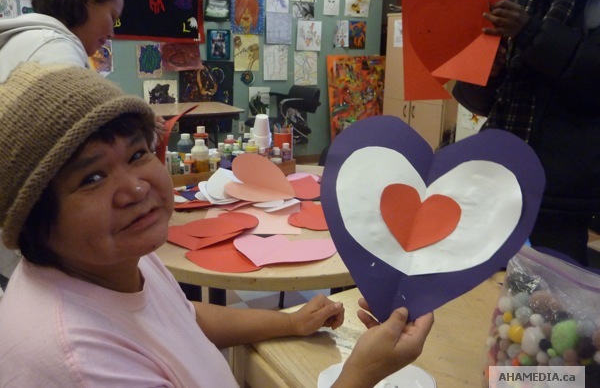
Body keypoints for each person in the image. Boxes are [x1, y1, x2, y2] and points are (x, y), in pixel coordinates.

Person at [0, 63, 433, 387]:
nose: (134, 187)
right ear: (32, 218)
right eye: (92, 177)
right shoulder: (82, 363)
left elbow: (182, 317)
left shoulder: (113, 260)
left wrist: (290, 322)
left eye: (137, 154)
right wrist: (361, 373)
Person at [453, 0, 600, 265]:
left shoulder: (593, 0)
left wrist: (530, 33)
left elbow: (592, 82)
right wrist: (487, 74)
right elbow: (482, 103)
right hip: (499, 171)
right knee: (485, 271)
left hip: (562, 187)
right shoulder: (510, 4)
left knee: (557, 282)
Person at [0, 0, 125, 282]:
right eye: (112, 16)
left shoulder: (25, 40)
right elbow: (75, 145)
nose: (112, 32)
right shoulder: (55, 47)